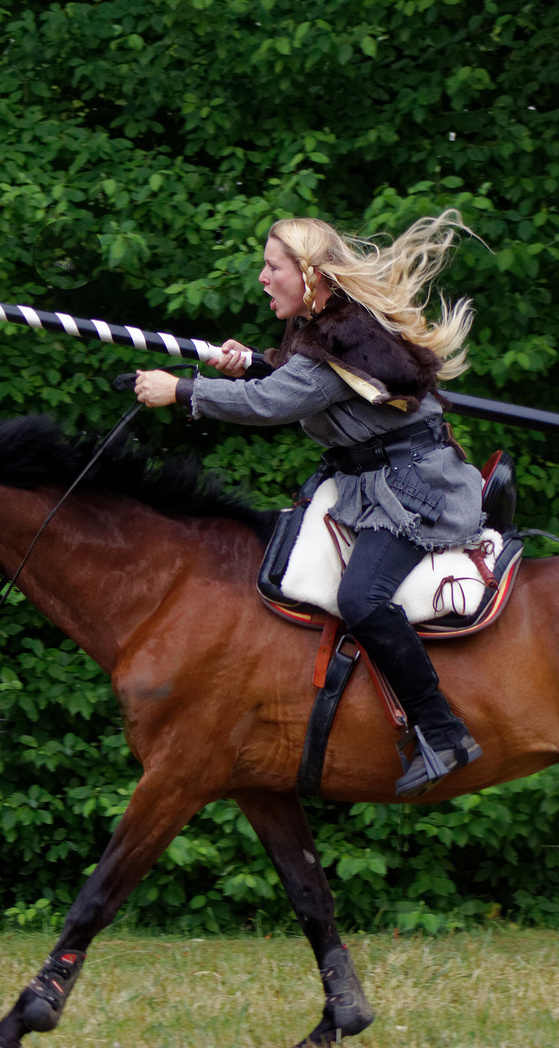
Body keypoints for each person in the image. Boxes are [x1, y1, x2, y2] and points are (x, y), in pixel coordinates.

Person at [132, 211, 486, 796]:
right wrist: (249, 362)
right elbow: (290, 378)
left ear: (310, 274)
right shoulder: (323, 326)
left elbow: (278, 401)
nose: (264, 279)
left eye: (274, 268)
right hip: (370, 480)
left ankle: (444, 731)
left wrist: (184, 391)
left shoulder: (343, 336)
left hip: (414, 487)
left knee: (361, 598)